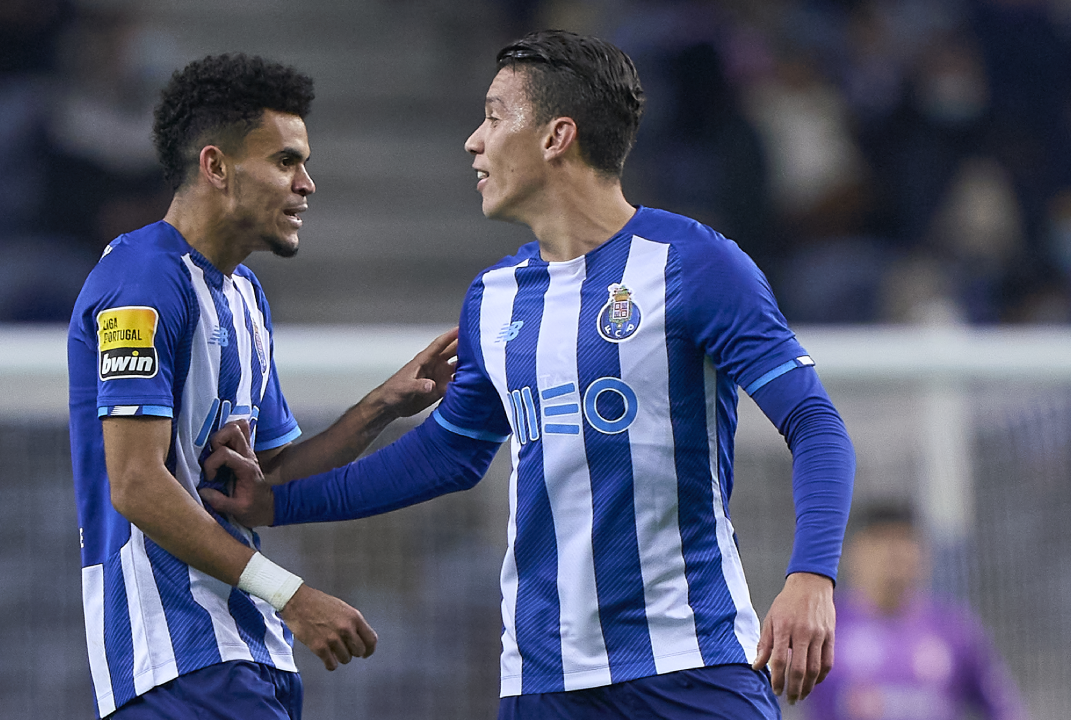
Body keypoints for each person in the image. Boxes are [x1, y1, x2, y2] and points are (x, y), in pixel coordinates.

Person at [205, 30, 857, 720]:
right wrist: (280, 503)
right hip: (543, 682)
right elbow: (449, 454)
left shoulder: (693, 265)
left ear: (557, 136)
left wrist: (812, 578)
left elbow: (814, 423)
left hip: (690, 666)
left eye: (493, 115)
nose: (473, 141)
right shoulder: (496, 296)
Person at [66, 53, 458, 719]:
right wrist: (293, 595)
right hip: (175, 654)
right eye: (285, 161)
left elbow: (269, 477)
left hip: (247, 650)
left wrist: (383, 406)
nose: (306, 184)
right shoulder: (143, 281)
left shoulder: (245, 294)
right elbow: (134, 483)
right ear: (216, 166)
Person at [802, 503, 1028, 720]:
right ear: (854, 552)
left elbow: (1003, 707)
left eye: (905, 540)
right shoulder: (822, 626)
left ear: (924, 553)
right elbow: (771, 693)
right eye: (881, 540)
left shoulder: (953, 629)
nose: (895, 553)